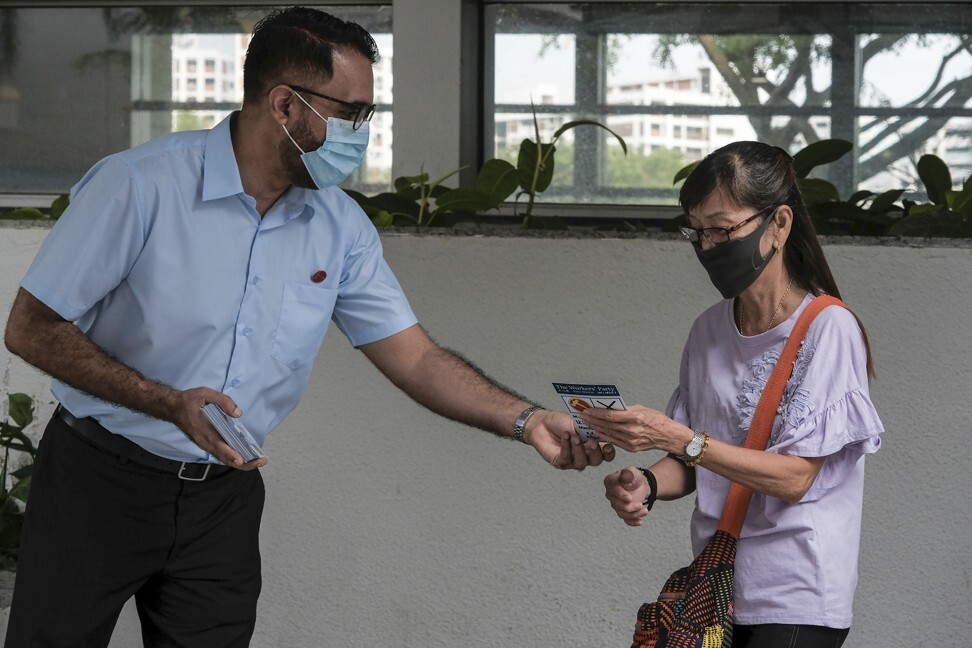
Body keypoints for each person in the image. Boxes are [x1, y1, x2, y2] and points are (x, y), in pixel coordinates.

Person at [1, 7, 614, 647]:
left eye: (367, 116)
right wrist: (166, 403)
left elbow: (417, 359)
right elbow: (31, 328)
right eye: (351, 113)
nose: (361, 132)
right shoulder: (140, 186)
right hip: (97, 481)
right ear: (286, 105)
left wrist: (525, 419)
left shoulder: (339, 227)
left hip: (222, 500)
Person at [579, 141, 883, 648]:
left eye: (723, 228)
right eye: (696, 231)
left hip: (797, 595)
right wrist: (647, 483)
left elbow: (796, 478)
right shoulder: (707, 331)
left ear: (778, 225)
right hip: (715, 592)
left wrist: (678, 437)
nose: (708, 245)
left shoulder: (828, 329)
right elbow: (698, 462)